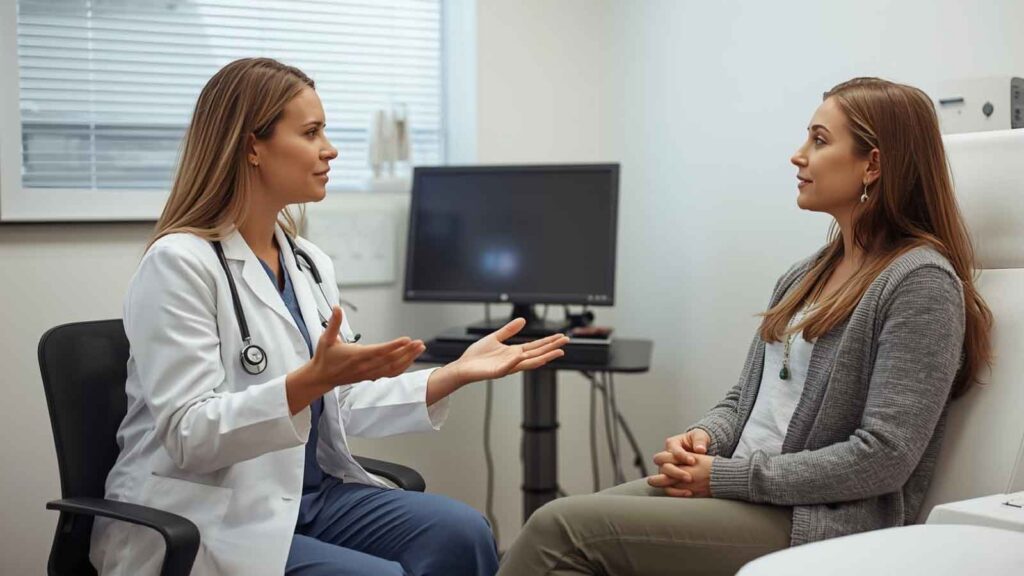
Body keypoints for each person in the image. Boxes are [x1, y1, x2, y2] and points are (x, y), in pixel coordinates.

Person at [90, 57, 569, 576]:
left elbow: (338, 404)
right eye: (312, 132)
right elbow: (189, 435)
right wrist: (304, 384)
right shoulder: (179, 264)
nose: (330, 149)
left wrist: (450, 375)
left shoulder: (307, 264)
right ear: (252, 146)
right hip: (208, 515)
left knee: (464, 533)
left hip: (308, 500)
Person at [497, 77, 993, 576]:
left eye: (819, 141)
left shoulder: (920, 284)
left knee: (559, 530)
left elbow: (884, 456)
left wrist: (726, 478)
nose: (798, 156)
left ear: (873, 164)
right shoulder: (807, 274)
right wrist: (704, 438)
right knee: (566, 528)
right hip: (744, 489)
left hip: (817, 518)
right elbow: (745, 400)